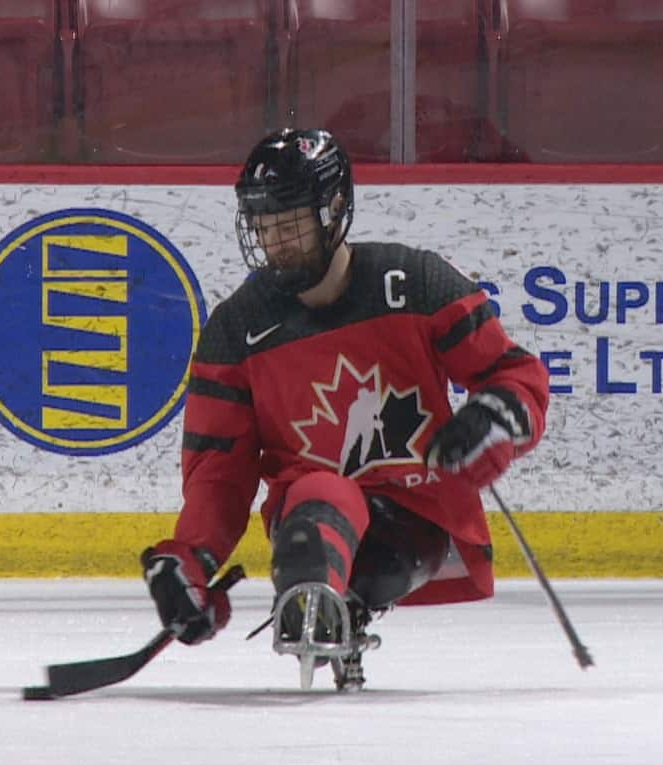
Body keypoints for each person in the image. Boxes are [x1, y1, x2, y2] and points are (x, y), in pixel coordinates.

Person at [139, 127, 550, 690]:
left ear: (334, 210)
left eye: (289, 224)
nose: (274, 241)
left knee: (323, 498)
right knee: (318, 493)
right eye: (263, 226)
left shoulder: (417, 283)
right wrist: (191, 559)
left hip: (417, 513)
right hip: (310, 517)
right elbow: (221, 473)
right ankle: (317, 595)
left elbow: (514, 374)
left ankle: (329, 593)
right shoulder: (236, 331)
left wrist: (496, 418)